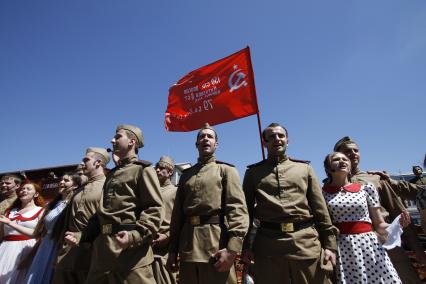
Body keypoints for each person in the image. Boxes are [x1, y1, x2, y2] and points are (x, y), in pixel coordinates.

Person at [241, 123, 337, 284]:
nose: (277, 139)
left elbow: (320, 209)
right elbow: (246, 213)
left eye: (280, 135)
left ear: (287, 140)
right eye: (271, 137)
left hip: (305, 244)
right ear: (264, 143)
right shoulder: (253, 173)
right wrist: (246, 247)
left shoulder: (304, 169)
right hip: (268, 247)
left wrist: (330, 245)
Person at [334, 136, 426, 283]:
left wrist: (417, 249)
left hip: (386, 241)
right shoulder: (331, 186)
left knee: (404, 278)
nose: (353, 154)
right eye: (347, 151)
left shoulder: (376, 179)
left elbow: (398, 212)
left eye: (356, 150)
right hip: (353, 247)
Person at [80, 124, 163, 283]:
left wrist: (135, 235)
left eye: (118, 136)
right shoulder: (112, 174)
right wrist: (84, 237)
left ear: (132, 142)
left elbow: (154, 208)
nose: (112, 140)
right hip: (102, 251)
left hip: (130, 253)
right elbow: (101, 211)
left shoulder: (143, 170)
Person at [167, 123, 249, 284]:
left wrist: (232, 249)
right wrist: (172, 250)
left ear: (216, 144)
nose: (205, 139)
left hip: (215, 245)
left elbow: (237, 210)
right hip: (188, 246)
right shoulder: (186, 175)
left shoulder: (226, 170)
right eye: (202, 137)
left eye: (210, 136)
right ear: (197, 144)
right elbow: (177, 217)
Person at [323, 151, 411, 283]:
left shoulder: (366, 189)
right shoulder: (322, 193)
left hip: (369, 244)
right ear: (328, 167)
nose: (342, 161)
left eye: (345, 159)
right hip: (342, 247)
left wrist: (397, 224)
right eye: (336, 159)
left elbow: (379, 224)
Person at [51, 147, 109, 284]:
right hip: (67, 254)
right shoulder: (79, 190)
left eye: (86, 160)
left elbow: (109, 223)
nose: (82, 163)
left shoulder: (109, 186)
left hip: (92, 253)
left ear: (98, 162)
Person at [24, 172, 79, 284]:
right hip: (46, 244)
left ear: (75, 185)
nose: (61, 182)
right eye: (61, 180)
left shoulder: (72, 204)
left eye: (66, 180)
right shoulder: (54, 203)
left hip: (58, 245)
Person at [0, 181, 45, 284]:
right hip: (5, 249)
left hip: (27, 250)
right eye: (22, 189)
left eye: (28, 189)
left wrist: (30, 257)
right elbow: (2, 235)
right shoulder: (9, 211)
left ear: (36, 194)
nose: (24, 191)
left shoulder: (40, 211)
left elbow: (39, 235)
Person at [152, 156, 178, 284]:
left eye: (161, 168)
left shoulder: (176, 192)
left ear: (170, 172)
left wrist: (167, 236)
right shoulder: (150, 192)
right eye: (156, 167)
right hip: (147, 249)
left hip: (166, 251)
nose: (157, 170)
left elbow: (180, 221)